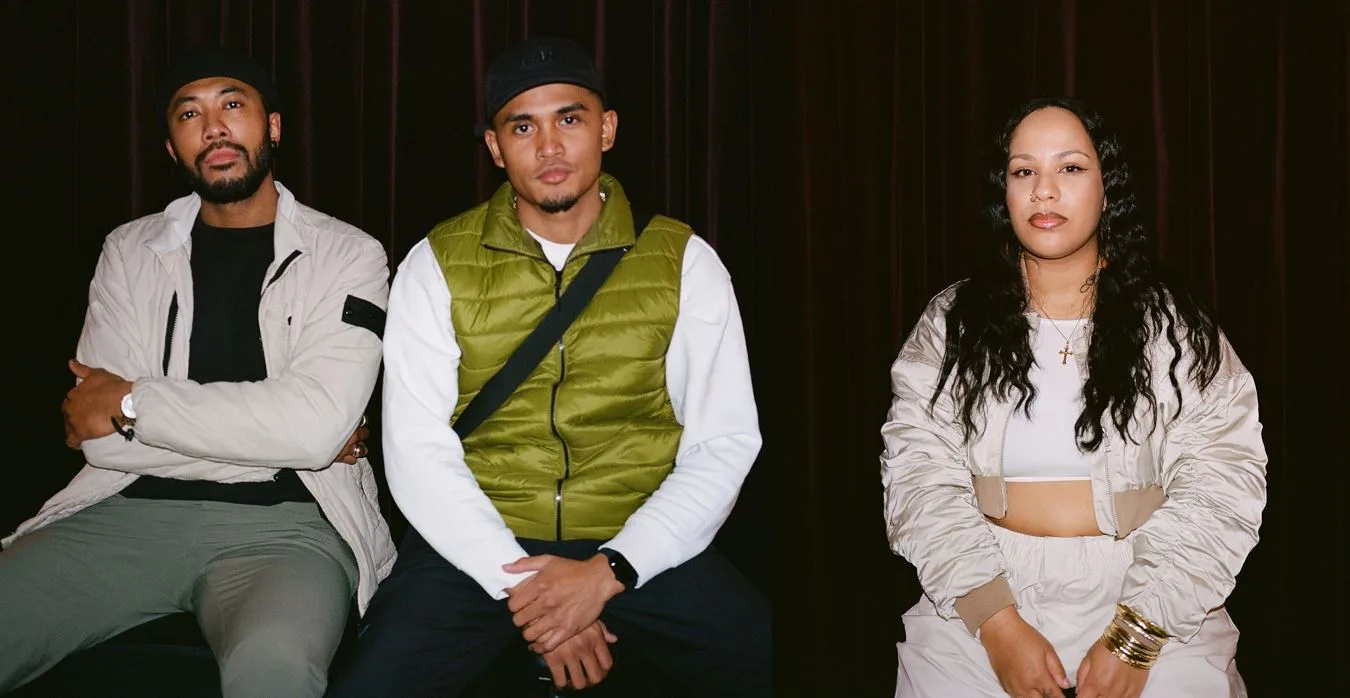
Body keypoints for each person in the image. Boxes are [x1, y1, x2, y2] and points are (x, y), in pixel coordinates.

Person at [328, 37, 771, 697]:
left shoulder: (685, 260)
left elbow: (723, 442)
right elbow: (416, 447)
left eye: (569, 118)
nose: (549, 146)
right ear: (494, 147)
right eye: (522, 127)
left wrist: (609, 572)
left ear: (607, 129)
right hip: (479, 539)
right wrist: (532, 592)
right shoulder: (437, 261)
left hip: (637, 536)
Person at [0, 45, 396, 697]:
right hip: (121, 510)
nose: (213, 127)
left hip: (287, 526)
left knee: (276, 671)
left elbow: (312, 431)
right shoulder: (130, 250)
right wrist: (279, 433)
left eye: (232, 105)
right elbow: (101, 444)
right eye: (189, 114)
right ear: (171, 147)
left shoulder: (348, 254)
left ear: (273, 127)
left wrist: (132, 405)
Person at [880, 96, 1267, 698]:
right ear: (1004, 194)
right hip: (980, 591)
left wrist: (1137, 636)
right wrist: (998, 624)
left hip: (1152, 589)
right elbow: (917, 477)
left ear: (1107, 190)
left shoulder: (1175, 328)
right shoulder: (952, 324)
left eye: (1070, 167)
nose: (1044, 190)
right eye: (1023, 171)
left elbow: (1224, 481)